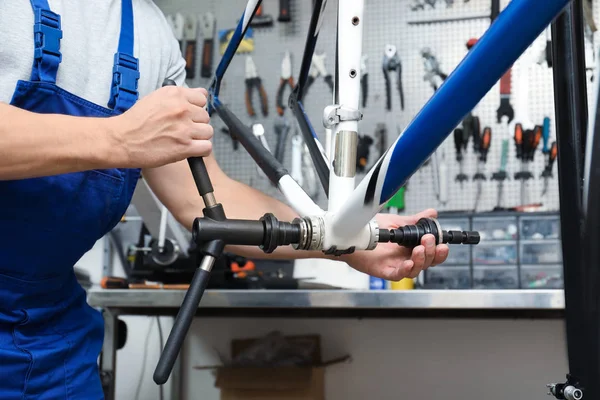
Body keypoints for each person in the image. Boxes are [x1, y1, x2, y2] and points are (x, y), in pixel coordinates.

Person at [0, 0, 449, 398]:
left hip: (53, 346)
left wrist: (347, 240)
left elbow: (204, 201)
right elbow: (125, 140)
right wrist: (117, 138)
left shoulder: (149, 32)